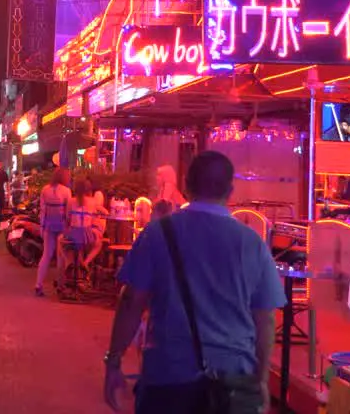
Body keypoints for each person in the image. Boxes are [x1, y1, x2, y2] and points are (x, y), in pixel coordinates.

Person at [102, 151, 284, 414]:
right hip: (233, 380)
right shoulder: (252, 242)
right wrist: (261, 380)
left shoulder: (157, 234)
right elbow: (265, 319)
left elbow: (131, 301)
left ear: (186, 185)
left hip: (168, 377)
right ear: (230, 191)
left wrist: (114, 360)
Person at [35, 168, 72, 297]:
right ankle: (60, 285)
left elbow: (43, 210)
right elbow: (68, 213)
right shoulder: (66, 191)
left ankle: (38, 284)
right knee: (61, 257)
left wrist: (42, 226)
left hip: (48, 226)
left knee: (46, 255)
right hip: (61, 226)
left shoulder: (45, 189)